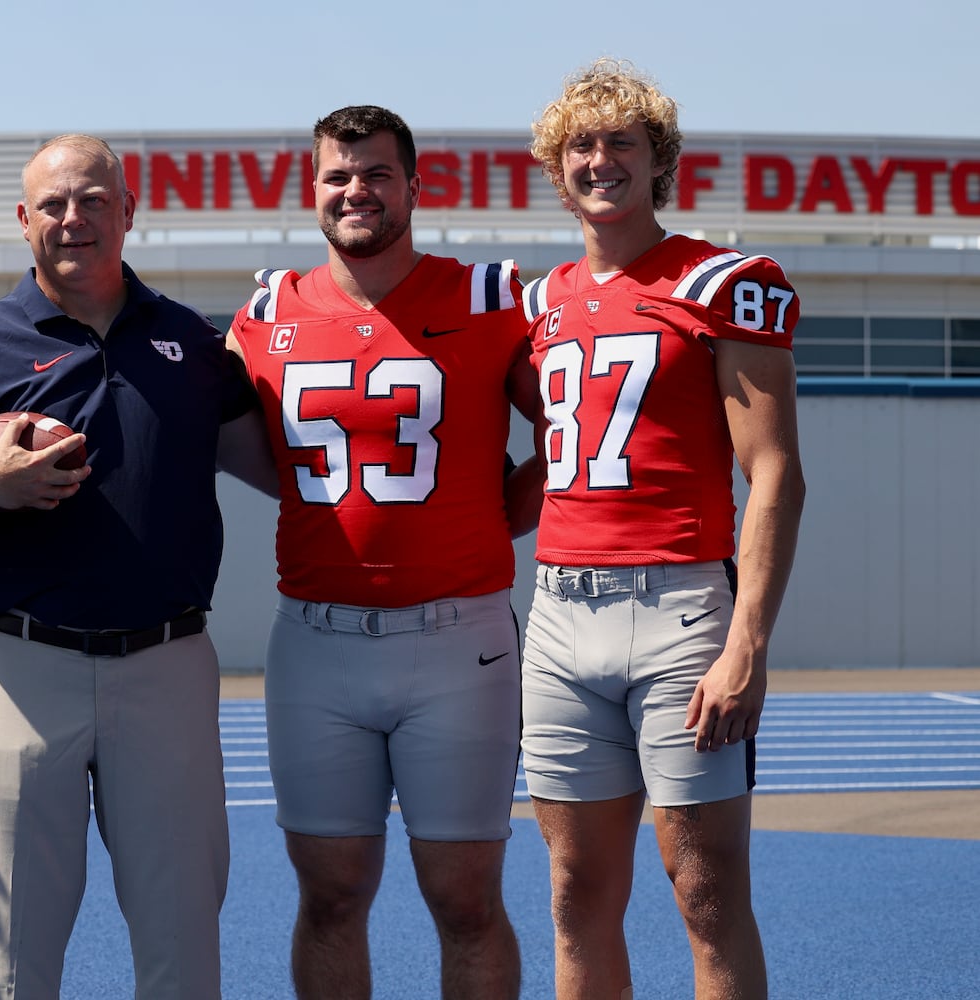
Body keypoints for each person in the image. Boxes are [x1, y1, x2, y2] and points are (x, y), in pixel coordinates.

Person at [0, 134, 272, 1000]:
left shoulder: (191, 342)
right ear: (24, 221)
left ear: (128, 212)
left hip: (167, 662)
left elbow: (289, 467)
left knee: (182, 945)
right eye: (53, 203)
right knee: (13, 954)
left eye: (93, 199)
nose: (73, 218)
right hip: (25, 667)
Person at [226, 105, 542, 999]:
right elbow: (228, 442)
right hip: (317, 639)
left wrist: (491, 518)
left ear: (413, 185)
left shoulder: (487, 297)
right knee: (329, 896)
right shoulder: (268, 310)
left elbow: (570, 436)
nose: (355, 190)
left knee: (466, 898)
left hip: (459, 639)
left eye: (374, 174)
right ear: (313, 190)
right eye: (337, 175)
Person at [519, 59, 805, 999]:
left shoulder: (724, 281)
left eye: (621, 143)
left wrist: (746, 644)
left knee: (706, 893)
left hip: (681, 607)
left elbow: (774, 473)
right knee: (575, 893)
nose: (600, 160)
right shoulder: (540, 301)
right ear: (556, 169)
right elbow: (548, 460)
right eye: (581, 146)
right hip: (559, 615)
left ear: (658, 161)